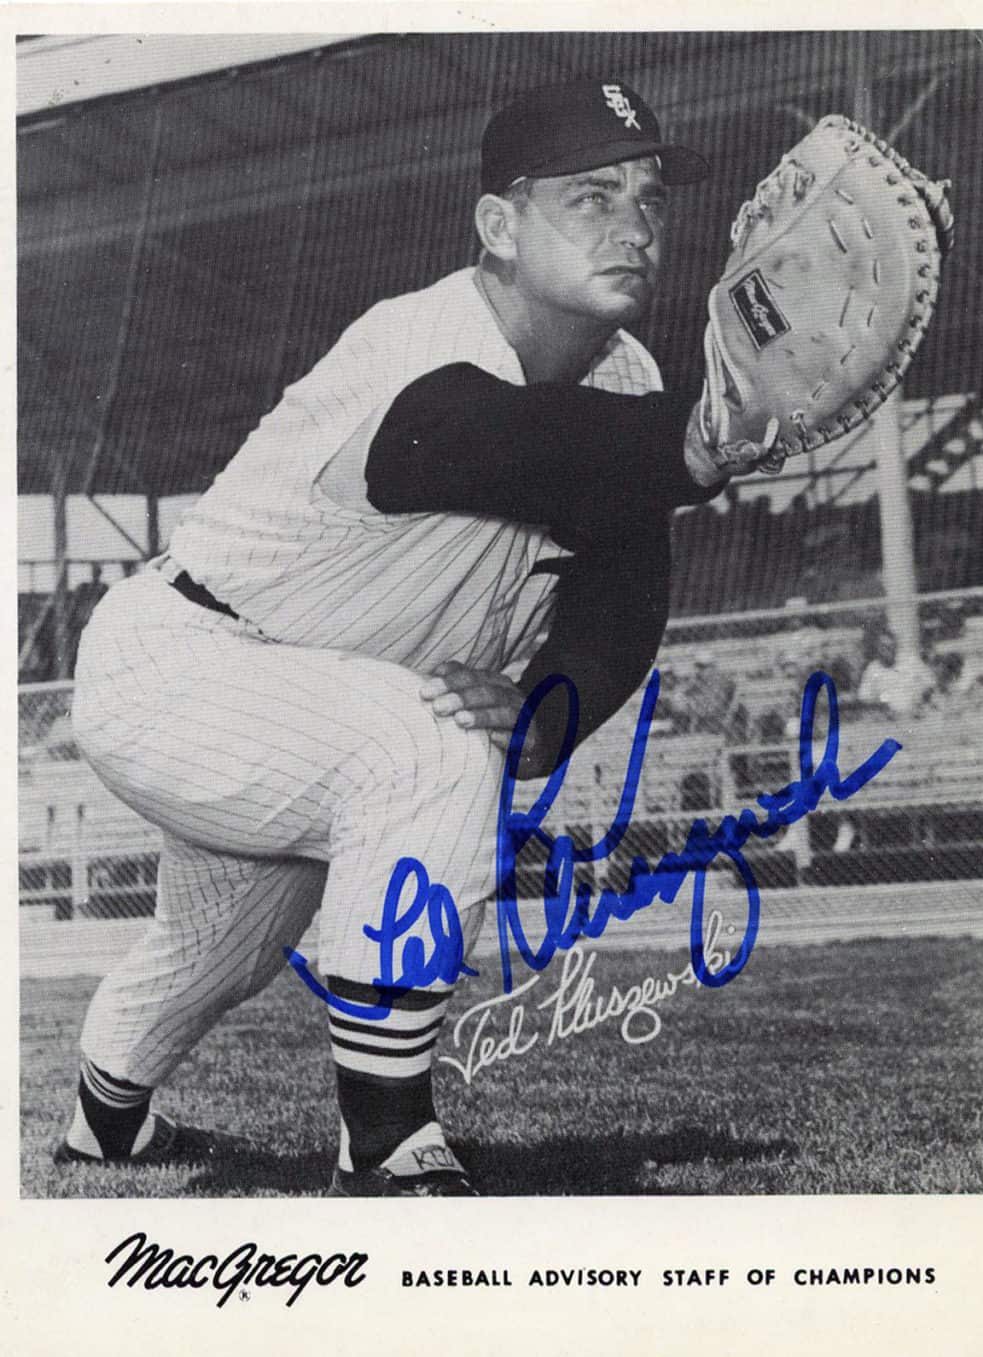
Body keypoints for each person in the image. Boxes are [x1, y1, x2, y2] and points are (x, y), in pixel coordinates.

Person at [57, 78, 777, 1196]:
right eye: (590, 196)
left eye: (647, 198)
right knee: (431, 747)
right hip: (180, 661)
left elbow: (620, 589)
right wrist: (699, 443)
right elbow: (476, 438)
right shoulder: (420, 340)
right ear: (500, 226)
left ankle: (101, 1130)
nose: (634, 224)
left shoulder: (627, 380)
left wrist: (550, 709)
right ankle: (389, 1144)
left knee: (214, 956)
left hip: (314, 706)